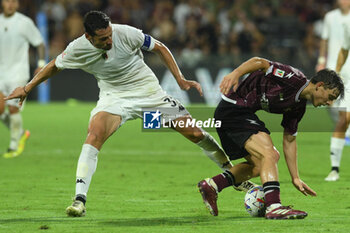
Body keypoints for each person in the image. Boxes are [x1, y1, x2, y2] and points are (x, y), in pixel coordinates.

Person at [5, 11, 254, 217]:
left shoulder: (126, 33)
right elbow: (53, 67)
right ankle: (80, 199)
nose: (109, 41)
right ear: (88, 37)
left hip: (150, 96)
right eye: (102, 39)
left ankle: (232, 173)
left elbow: (160, 47)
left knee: (194, 132)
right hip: (116, 100)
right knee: (94, 134)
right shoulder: (77, 49)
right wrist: (27, 88)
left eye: (109, 34)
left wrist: (179, 79)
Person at [197, 57, 344, 219]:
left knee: (260, 165)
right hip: (234, 109)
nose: (329, 103)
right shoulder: (293, 78)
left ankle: (212, 185)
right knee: (270, 154)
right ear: (320, 86)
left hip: (236, 114)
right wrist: (236, 73)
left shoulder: (298, 107)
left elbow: (289, 140)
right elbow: (260, 62)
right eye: (330, 97)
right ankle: (274, 206)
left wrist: (295, 177)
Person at [0, 0, 46, 158]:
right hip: (1, 72)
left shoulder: (24, 22)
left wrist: (40, 64)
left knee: (13, 108)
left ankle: (13, 146)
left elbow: (40, 44)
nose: (10, 4)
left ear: (18, 4)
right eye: (7, 1)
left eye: (14, 1)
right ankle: (20, 133)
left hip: (18, 72)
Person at [316, 0, 350, 182]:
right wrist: (336, 73)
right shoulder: (344, 24)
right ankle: (334, 169)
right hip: (347, 76)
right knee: (343, 119)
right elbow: (344, 51)